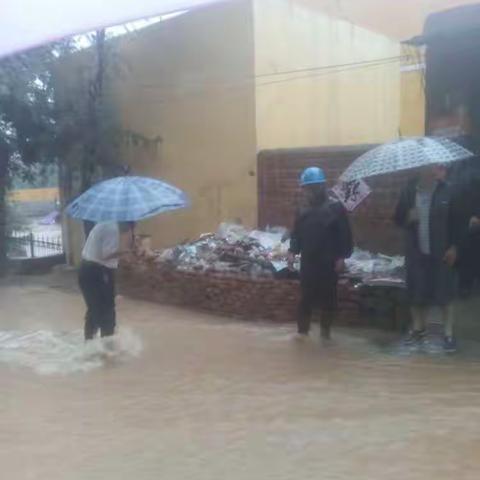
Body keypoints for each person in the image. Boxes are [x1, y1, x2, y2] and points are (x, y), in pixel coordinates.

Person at [394, 163, 461, 352]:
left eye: (434, 167)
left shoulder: (448, 191)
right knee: (416, 291)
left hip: (442, 251)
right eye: (426, 167)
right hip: (416, 251)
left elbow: (458, 222)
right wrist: (408, 216)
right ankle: (418, 329)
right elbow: (398, 219)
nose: (431, 171)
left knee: (445, 292)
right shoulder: (408, 191)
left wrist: (455, 247)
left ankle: (448, 333)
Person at [288, 167, 353, 340]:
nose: (309, 192)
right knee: (305, 299)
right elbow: (296, 234)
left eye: (313, 188)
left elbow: (344, 235)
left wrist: (341, 257)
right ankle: (302, 334)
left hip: (329, 262)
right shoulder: (302, 210)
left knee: (328, 299)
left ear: (321, 187)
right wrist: (292, 251)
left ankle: (325, 334)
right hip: (309, 261)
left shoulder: (336, 208)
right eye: (306, 188)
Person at [78, 221, 135, 340]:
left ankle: (89, 345)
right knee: (107, 312)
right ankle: (107, 348)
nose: (128, 231)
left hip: (87, 269)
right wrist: (125, 252)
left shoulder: (105, 223)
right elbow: (106, 254)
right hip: (98, 271)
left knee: (94, 309)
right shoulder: (112, 229)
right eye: (129, 228)